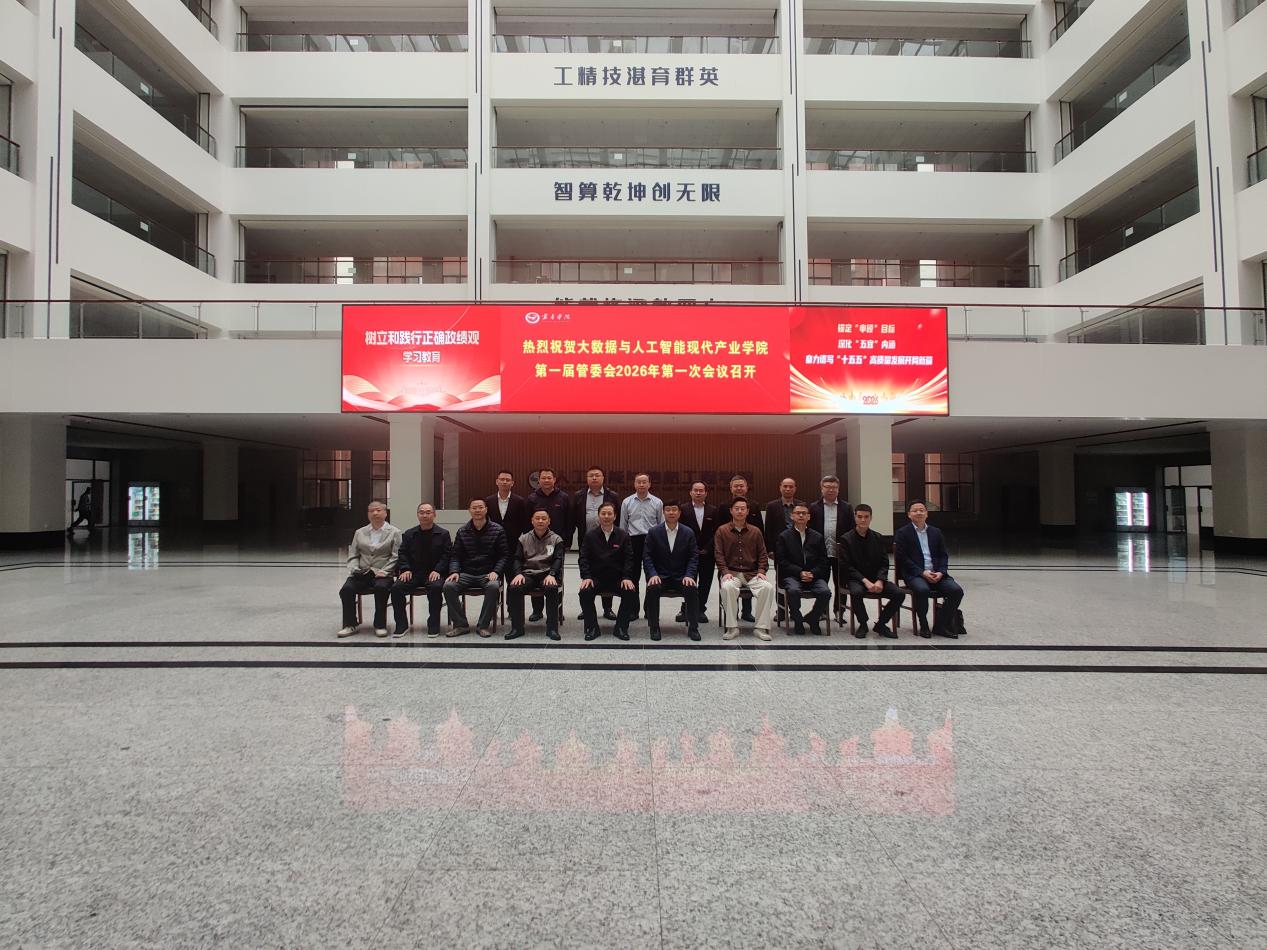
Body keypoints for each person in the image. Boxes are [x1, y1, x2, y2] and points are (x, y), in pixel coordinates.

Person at [893, 500, 964, 639]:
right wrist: (922, 572)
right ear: (909, 514)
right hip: (915, 574)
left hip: (937, 573)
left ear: (927, 513)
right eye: (915, 510)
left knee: (956, 591)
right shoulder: (902, 533)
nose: (918, 513)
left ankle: (941, 625)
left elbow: (943, 555)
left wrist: (941, 572)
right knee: (922, 589)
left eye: (922, 510)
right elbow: (903, 558)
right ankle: (924, 624)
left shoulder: (936, 532)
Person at [444, 498, 508, 638]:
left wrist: (496, 571)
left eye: (480, 507)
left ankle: (483, 626)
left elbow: (504, 556)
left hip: (488, 573)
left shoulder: (497, 530)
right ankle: (461, 625)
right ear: (469, 510)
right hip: (466, 573)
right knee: (448, 586)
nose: (477, 510)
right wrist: (454, 571)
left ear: (486, 509)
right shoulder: (462, 531)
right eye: (474, 508)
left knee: (493, 587)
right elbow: (455, 556)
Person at [338, 499, 402, 638]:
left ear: (385, 513)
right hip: (362, 573)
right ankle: (350, 624)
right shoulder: (359, 532)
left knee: (381, 588)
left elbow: (396, 556)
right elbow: (353, 554)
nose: (375, 513)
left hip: (383, 573)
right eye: (371, 510)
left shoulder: (394, 532)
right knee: (346, 590)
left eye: (378, 510)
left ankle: (380, 625)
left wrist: (385, 571)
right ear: (368, 514)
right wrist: (354, 568)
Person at [839, 503, 904, 640]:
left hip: (876, 578)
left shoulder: (878, 537)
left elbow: (884, 562)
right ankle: (863, 624)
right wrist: (865, 581)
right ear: (855, 518)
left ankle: (881, 624)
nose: (863, 520)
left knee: (899, 593)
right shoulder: (846, 539)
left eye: (866, 517)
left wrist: (880, 580)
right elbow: (847, 566)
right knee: (856, 592)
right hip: (856, 579)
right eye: (860, 517)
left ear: (871, 518)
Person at [714, 497, 775, 641]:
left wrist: (761, 571)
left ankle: (761, 628)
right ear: (731, 511)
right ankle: (732, 627)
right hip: (731, 573)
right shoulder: (722, 531)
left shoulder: (756, 531)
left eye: (743, 509)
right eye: (737, 508)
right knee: (727, 587)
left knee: (767, 588)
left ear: (748, 511)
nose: (740, 511)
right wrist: (725, 572)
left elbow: (763, 554)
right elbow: (718, 554)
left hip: (752, 574)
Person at [389, 502, 452, 639]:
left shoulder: (443, 534)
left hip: (434, 573)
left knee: (435, 588)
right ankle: (401, 625)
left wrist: (438, 570)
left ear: (434, 515)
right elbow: (402, 553)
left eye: (428, 512)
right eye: (421, 512)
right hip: (413, 572)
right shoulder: (409, 534)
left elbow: (447, 555)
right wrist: (405, 569)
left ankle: (433, 625)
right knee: (396, 588)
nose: (425, 515)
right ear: (417, 515)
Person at [578, 502, 638, 641]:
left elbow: (629, 559)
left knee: (630, 592)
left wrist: (627, 577)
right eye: (603, 513)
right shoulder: (590, 535)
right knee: (584, 592)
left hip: (617, 578)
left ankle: (621, 628)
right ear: (598, 516)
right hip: (596, 578)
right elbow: (583, 558)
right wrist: (586, 577)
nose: (606, 516)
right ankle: (592, 628)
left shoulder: (623, 535)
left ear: (615, 516)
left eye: (609, 513)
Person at [642, 500, 701, 641]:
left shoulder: (688, 532)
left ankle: (693, 628)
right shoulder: (654, 532)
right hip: (660, 576)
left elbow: (693, 557)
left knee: (692, 589)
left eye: (674, 510)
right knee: (653, 588)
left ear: (679, 513)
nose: (671, 512)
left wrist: (689, 575)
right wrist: (653, 575)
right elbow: (647, 556)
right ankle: (654, 627)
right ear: (663, 512)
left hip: (681, 577)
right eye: (668, 510)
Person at [505, 510, 565, 641]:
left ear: (549, 521)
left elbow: (558, 560)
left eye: (544, 518)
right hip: (528, 574)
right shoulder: (523, 538)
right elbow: (517, 559)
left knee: (552, 588)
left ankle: (552, 628)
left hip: (547, 573)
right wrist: (518, 574)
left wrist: (552, 574)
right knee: (514, 587)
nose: (540, 521)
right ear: (532, 521)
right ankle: (517, 628)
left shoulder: (556, 539)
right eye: (537, 518)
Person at [571, 466, 620, 621]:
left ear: (603, 478)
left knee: (607, 569)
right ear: (587, 478)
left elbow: (617, 518)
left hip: (607, 538)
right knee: (586, 570)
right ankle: (587, 608)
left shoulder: (612, 495)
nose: (594, 478)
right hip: (586, 539)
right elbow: (573, 517)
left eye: (597, 475)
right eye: (591, 475)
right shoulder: (579, 495)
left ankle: (607, 608)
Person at [775, 502, 831, 636]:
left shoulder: (817, 537)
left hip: (814, 576)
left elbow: (824, 561)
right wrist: (799, 572)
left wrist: (813, 573)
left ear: (809, 517)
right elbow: (781, 561)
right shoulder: (784, 537)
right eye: (797, 513)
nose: (801, 515)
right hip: (792, 576)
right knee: (793, 591)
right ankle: (798, 620)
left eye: (804, 513)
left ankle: (813, 618)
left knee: (825, 592)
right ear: (792, 516)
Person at [526, 467, 571, 620]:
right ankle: (537, 611)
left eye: (549, 477)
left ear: (554, 480)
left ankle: (556, 611)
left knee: (556, 575)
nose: (546, 480)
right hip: (536, 544)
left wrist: (567, 542)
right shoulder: (532, 498)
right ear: (538, 480)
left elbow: (569, 521)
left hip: (557, 544)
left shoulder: (563, 497)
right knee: (535, 572)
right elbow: (527, 522)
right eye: (543, 478)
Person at [620, 473, 664, 618]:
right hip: (632, 540)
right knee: (633, 576)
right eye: (638, 482)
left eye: (644, 482)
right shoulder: (627, 502)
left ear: (649, 484)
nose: (641, 484)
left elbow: (661, 524)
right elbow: (623, 525)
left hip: (652, 540)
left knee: (651, 575)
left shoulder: (657, 502)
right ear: (634, 484)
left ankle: (649, 610)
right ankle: (633, 610)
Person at [810, 475, 854, 620]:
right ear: (821, 488)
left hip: (840, 552)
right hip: (821, 552)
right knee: (821, 582)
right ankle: (822, 611)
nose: (830, 490)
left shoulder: (846, 507)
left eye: (834, 487)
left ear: (838, 489)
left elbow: (851, 530)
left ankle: (839, 611)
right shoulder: (813, 507)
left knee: (841, 582)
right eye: (827, 487)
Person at [679, 481, 719, 625]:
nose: (698, 493)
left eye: (701, 490)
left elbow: (717, 532)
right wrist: (692, 548)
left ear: (706, 493)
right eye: (695, 490)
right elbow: (680, 530)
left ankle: (700, 609)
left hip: (707, 553)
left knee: (705, 581)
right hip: (688, 553)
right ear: (690, 492)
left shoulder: (713, 510)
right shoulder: (683, 509)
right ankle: (686, 608)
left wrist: (707, 548)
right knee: (689, 580)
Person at [727, 475, 763, 621]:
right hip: (730, 549)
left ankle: (747, 612)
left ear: (747, 488)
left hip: (750, 549)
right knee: (733, 578)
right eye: (736, 486)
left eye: (741, 485)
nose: (739, 488)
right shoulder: (724, 506)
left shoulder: (754, 506)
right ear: (731, 488)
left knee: (748, 572)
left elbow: (760, 528)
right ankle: (733, 612)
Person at [485, 470, 532, 549]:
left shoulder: (520, 501)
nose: (504, 482)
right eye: (502, 479)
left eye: (507, 480)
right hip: (493, 541)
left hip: (513, 542)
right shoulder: (488, 501)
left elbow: (524, 522)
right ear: (497, 482)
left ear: (512, 483)